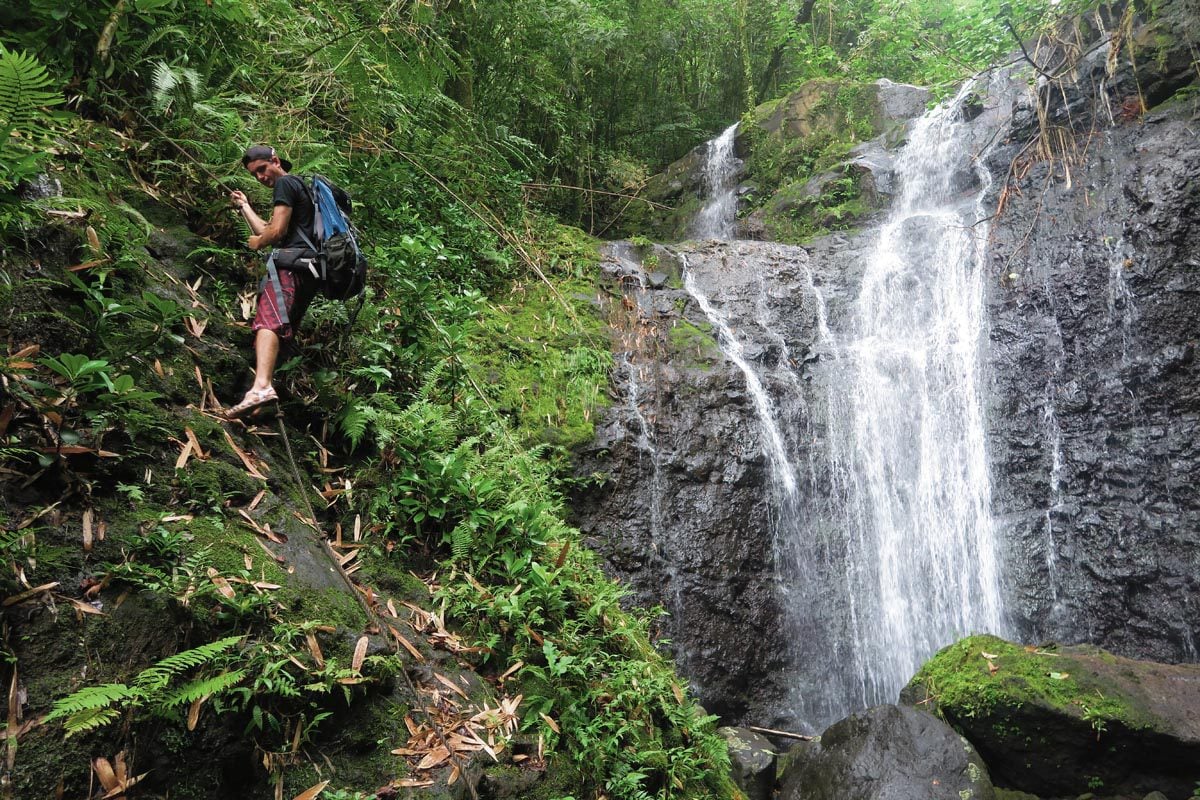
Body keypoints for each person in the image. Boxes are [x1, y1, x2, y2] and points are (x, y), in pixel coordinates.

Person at [225, 145, 319, 418]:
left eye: (262, 169)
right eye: (255, 175)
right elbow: (270, 227)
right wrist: (245, 207)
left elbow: (273, 233)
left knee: (269, 321)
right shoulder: (300, 188)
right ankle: (264, 402)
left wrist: (258, 243)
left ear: (275, 161)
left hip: (290, 267)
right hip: (309, 271)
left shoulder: (286, 183)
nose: (260, 178)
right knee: (283, 331)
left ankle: (262, 387)